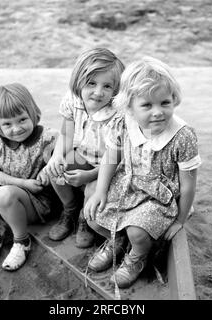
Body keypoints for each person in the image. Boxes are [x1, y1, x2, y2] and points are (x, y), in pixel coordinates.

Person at [84, 56, 202, 289]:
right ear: (129, 106)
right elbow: (111, 156)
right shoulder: (123, 123)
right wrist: (100, 191)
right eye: (147, 105)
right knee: (93, 213)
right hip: (127, 184)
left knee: (137, 232)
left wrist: (180, 220)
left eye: (164, 103)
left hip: (159, 197)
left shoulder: (182, 136)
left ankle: (137, 256)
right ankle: (116, 241)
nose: (158, 112)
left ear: (173, 99)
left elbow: (188, 185)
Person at [44, 48, 125, 248]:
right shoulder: (73, 100)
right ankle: (70, 209)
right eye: (91, 83)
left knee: (92, 189)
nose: (98, 92)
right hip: (83, 155)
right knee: (54, 167)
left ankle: (84, 218)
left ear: (116, 89)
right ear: (79, 80)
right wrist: (57, 158)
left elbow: (116, 159)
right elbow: (66, 134)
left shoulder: (116, 115)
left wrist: (89, 176)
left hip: (107, 168)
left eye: (107, 86)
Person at [0, 83, 57, 271]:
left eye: (22, 119)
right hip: (9, 197)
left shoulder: (48, 138)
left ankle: (21, 242)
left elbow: (65, 152)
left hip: (37, 203)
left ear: (33, 112)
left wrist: (49, 167)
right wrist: (23, 183)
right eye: (7, 124)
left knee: (4, 194)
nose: (16, 128)